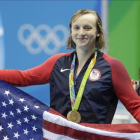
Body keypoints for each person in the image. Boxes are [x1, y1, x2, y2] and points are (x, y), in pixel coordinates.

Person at [0, 9, 140, 124]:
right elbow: (23, 78)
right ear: (71, 32)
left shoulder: (112, 66)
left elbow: (135, 106)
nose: (81, 33)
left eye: (87, 28)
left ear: (98, 32)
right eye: (76, 28)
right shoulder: (57, 62)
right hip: (59, 136)